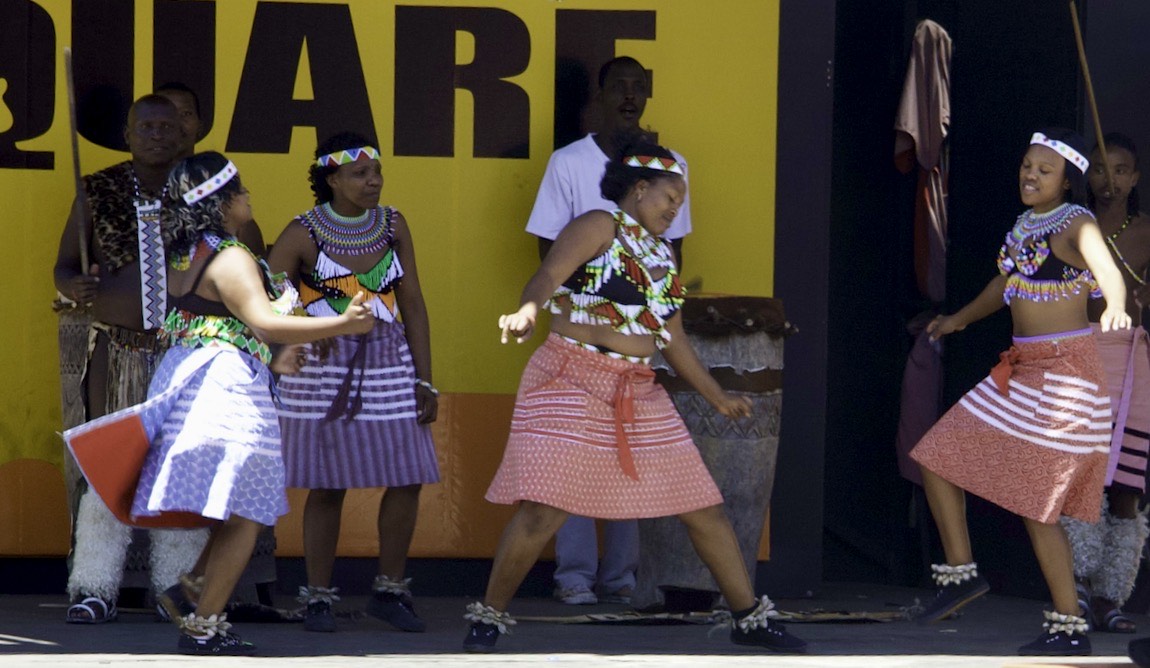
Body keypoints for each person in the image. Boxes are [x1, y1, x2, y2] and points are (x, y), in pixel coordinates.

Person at [460, 141, 806, 654]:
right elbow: (546, 276)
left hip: (636, 389)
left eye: (679, 202)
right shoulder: (598, 225)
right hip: (570, 376)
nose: (674, 209)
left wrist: (715, 397)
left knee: (703, 507)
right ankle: (489, 614)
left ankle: (748, 617)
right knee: (543, 509)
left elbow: (674, 339)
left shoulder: (664, 256)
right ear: (639, 188)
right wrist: (528, 311)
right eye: (669, 197)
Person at [66, 151, 376, 654]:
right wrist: (344, 323)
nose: (250, 197)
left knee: (238, 511)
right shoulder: (230, 257)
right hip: (225, 389)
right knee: (248, 513)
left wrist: (279, 356)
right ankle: (204, 626)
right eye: (243, 190)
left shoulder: (188, 254)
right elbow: (263, 323)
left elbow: (231, 327)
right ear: (224, 201)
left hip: (198, 382)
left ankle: (188, 589)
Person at [909, 129, 1132, 656]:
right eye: (1026, 165)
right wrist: (958, 320)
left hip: (1067, 377)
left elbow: (1108, 271)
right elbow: (1003, 286)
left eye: (1043, 170)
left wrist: (1116, 304)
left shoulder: (1078, 223)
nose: (1030, 175)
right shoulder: (1023, 225)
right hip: (1021, 371)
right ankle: (961, 573)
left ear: (1067, 183)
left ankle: (1069, 627)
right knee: (936, 458)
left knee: (1037, 505)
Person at [524, 55, 692, 606]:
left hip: (636, 342)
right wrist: (590, 295)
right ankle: (574, 578)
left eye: (638, 86)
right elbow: (549, 249)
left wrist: (651, 309)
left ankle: (620, 580)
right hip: (578, 339)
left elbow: (670, 253)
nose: (628, 94)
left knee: (629, 458)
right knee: (570, 460)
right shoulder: (569, 162)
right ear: (598, 94)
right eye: (617, 84)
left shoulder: (672, 165)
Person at [269, 132, 439, 633]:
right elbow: (263, 290)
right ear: (332, 179)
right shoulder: (303, 232)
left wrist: (426, 380)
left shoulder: (393, 225)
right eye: (360, 173)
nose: (374, 182)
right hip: (323, 369)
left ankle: (389, 589)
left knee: (407, 474)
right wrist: (303, 322)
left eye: (377, 171)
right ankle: (318, 597)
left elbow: (412, 304)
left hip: (390, 359)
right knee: (327, 483)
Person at [53, 94, 207, 624]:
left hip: (184, 353)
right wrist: (74, 284)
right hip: (117, 352)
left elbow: (243, 253)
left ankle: (175, 589)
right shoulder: (96, 191)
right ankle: (93, 587)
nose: (158, 133)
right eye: (147, 125)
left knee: (181, 471)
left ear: (187, 132)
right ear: (128, 132)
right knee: (107, 469)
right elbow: (64, 267)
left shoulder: (205, 191)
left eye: (168, 125)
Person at [1061, 132, 1150, 634]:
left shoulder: (1145, 231)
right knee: (1080, 480)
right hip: (1079, 358)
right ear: (1085, 177)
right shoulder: (1071, 227)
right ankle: (1070, 585)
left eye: (1120, 169)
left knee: (1124, 488)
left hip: (1133, 368)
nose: (1108, 178)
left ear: (1134, 178)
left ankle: (1110, 595)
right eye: (1099, 169)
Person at [156, 82, 266, 256]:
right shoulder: (127, 197)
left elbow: (262, 275)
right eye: (166, 115)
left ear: (200, 125)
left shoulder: (232, 209)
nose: (175, 123)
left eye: (185, 113)